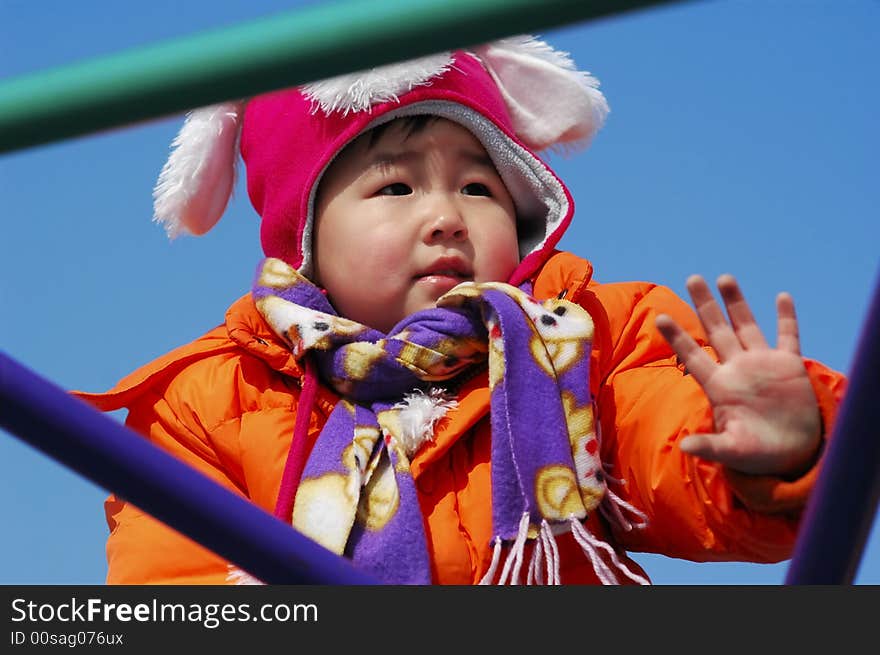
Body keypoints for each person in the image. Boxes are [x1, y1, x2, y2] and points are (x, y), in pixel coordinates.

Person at [75, 36, 846, 585]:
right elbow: (169, 584)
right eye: (396, 187)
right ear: (307, 239)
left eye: (480, 188)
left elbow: (661, 439)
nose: (447, 216)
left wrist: (774, 448)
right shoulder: (209, 402)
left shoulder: (582, 335)